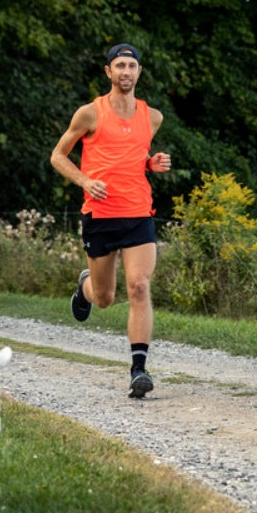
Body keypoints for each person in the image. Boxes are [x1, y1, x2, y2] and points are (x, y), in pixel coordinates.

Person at [50, 43, 171, 398]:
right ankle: (85, 287)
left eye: (132, 66)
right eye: (119, 65)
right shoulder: (89, 113)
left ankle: (139, 370)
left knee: (139, 287)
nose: (126, 72)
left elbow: (133, 155)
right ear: (108, 72)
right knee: (104, 298)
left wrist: (151, 164)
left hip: (138, 213)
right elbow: (58, 156)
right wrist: (85, 181)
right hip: (100, 216)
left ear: (139, 72)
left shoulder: (152, 117)